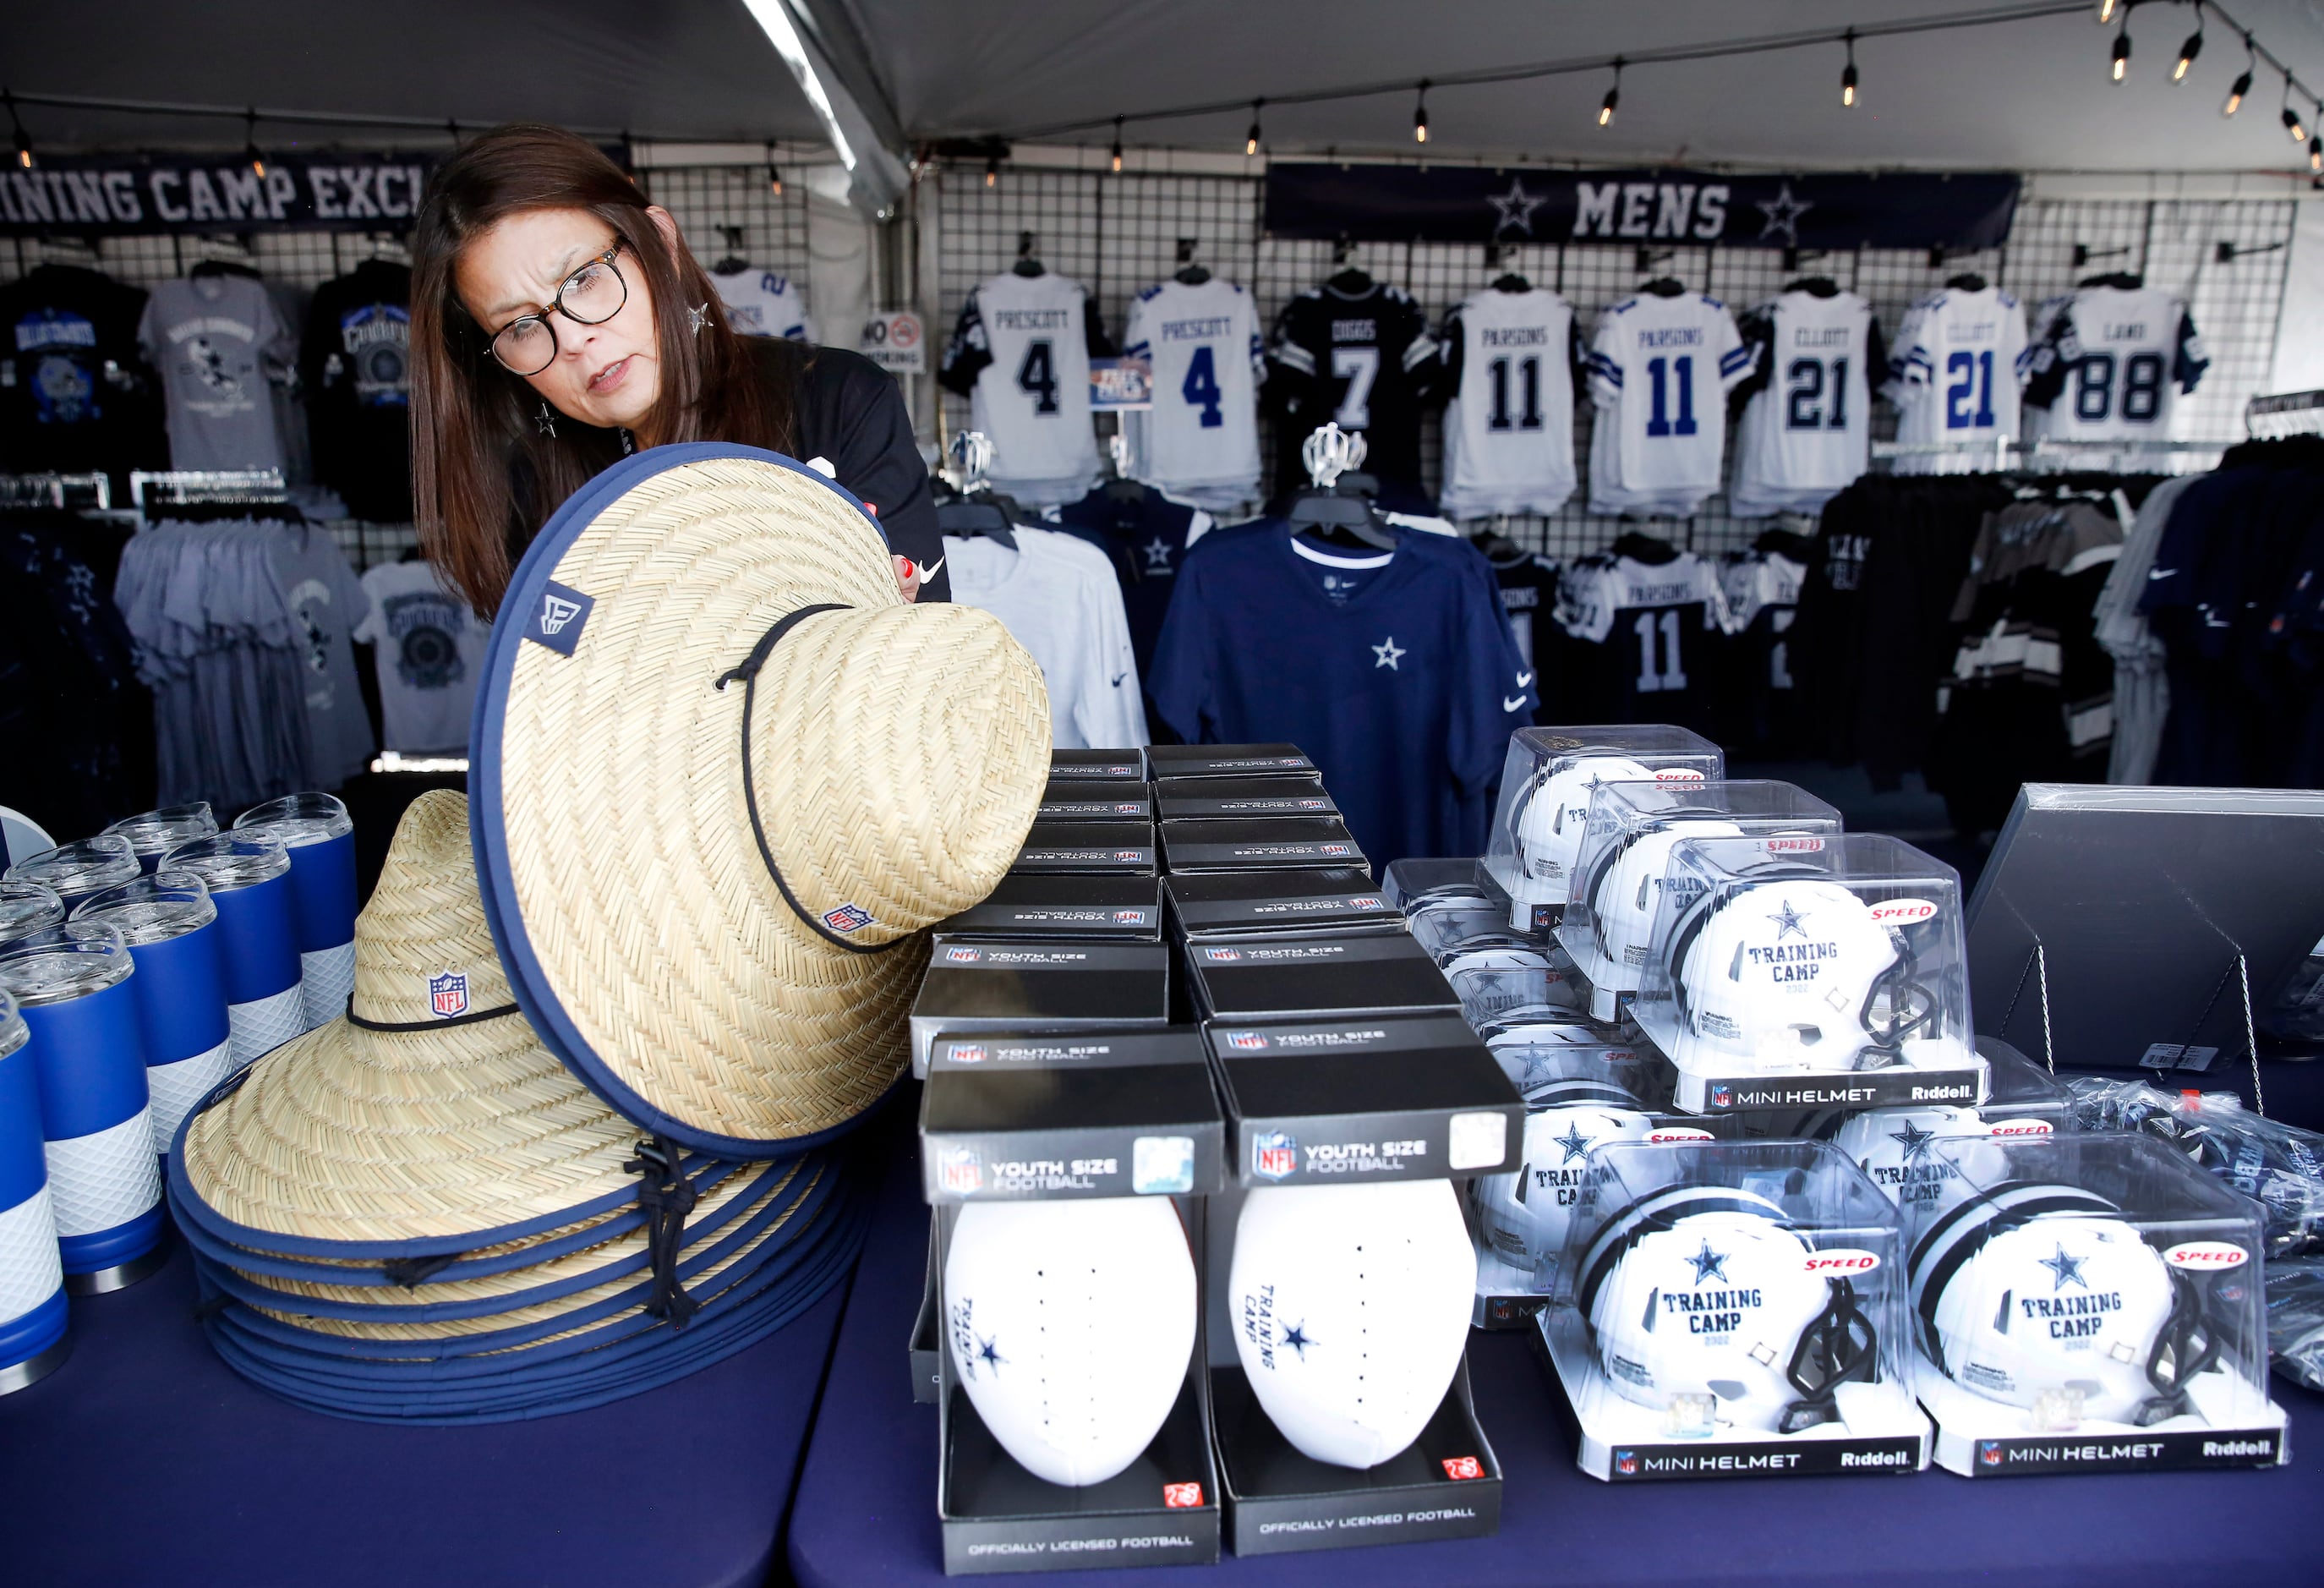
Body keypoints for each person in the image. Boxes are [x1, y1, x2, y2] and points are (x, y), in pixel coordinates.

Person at [408, 123, 944, 616]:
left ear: (659, 242)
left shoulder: (836, 400)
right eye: (521, 327)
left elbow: (929, 672)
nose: (571, 339)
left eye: (585, 279)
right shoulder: (531, 497)